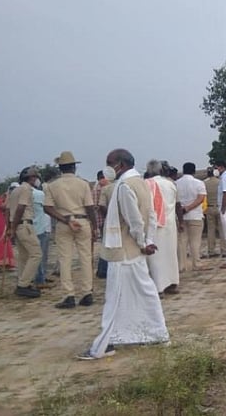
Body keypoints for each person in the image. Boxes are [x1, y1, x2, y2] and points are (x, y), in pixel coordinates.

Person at [78, 148, 169, 360]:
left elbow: (135, 220)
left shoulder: (125, 186)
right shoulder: (141, 183)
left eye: (110, 162)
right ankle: (154, 334)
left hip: (124, 252)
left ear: (121, 163)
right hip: (133, 250)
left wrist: (143, 242)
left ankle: (104, 345)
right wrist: (148, 241)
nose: (108, 167)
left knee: (115, 298)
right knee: (143, 292)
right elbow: (151, 215)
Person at [44, 151, 98, 309]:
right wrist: (95, 227)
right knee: (85, 258)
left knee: (65, 259)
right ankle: (87, 292)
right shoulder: (83, 184)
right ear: (74, 167)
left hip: (64, 222)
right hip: (82, 221)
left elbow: (48, 208)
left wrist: (65, 219)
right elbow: (89, 207)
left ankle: (69, 295)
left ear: (60, 168)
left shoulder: (52, 186)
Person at [144, 160, 180, 296]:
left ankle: (159, 287)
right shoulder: (170, 184)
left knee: (156, 257)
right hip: (170, 224)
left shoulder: (147, 184)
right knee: (170, 254)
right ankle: (172, 283)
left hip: (155, 225)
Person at [6, 167, 43, 297]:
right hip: (25, 224)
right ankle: (23, 285)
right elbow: (21, 208)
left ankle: (22, 282)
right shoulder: (27, 189)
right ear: (30, 178)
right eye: (34, 177)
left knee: (23, 257)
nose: (36, 180)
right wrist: (14, 227)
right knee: (36, 254)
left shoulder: (14, 190)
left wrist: (10, 227)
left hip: (17, 225)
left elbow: (8, 210)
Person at [175, 162, 206, 271]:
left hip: (180, 217)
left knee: (182, 242)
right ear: (194, 171)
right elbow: (201, 198)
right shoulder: (199, 183)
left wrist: (183, 209)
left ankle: (181, 265)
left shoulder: (176, 183)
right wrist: (188, 208)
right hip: (195, 215)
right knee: (195, 241)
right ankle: (196, 263)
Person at [32, 175, 54, 289]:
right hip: (42, 227)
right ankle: (40, 278)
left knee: (43, 254)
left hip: (42, 226)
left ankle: (43, 275)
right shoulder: (39, 195)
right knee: (40, 254)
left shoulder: (35, 194)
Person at [93, 168, 114, 279]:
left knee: (105, 244)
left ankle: (102, 269)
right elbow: (101, 205)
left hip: (99, 219)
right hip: (104, 219)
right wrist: (109, 216)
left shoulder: (96, 187)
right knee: (107, 245)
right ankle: (103, 270)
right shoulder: (104, 187)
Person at [203, 166, 222, 258]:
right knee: (222, 230)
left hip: (209, 208)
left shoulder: (204, 183)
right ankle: (224, 249)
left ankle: (211, 250)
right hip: (219, 207)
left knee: (211, 230)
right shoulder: (220, 182)